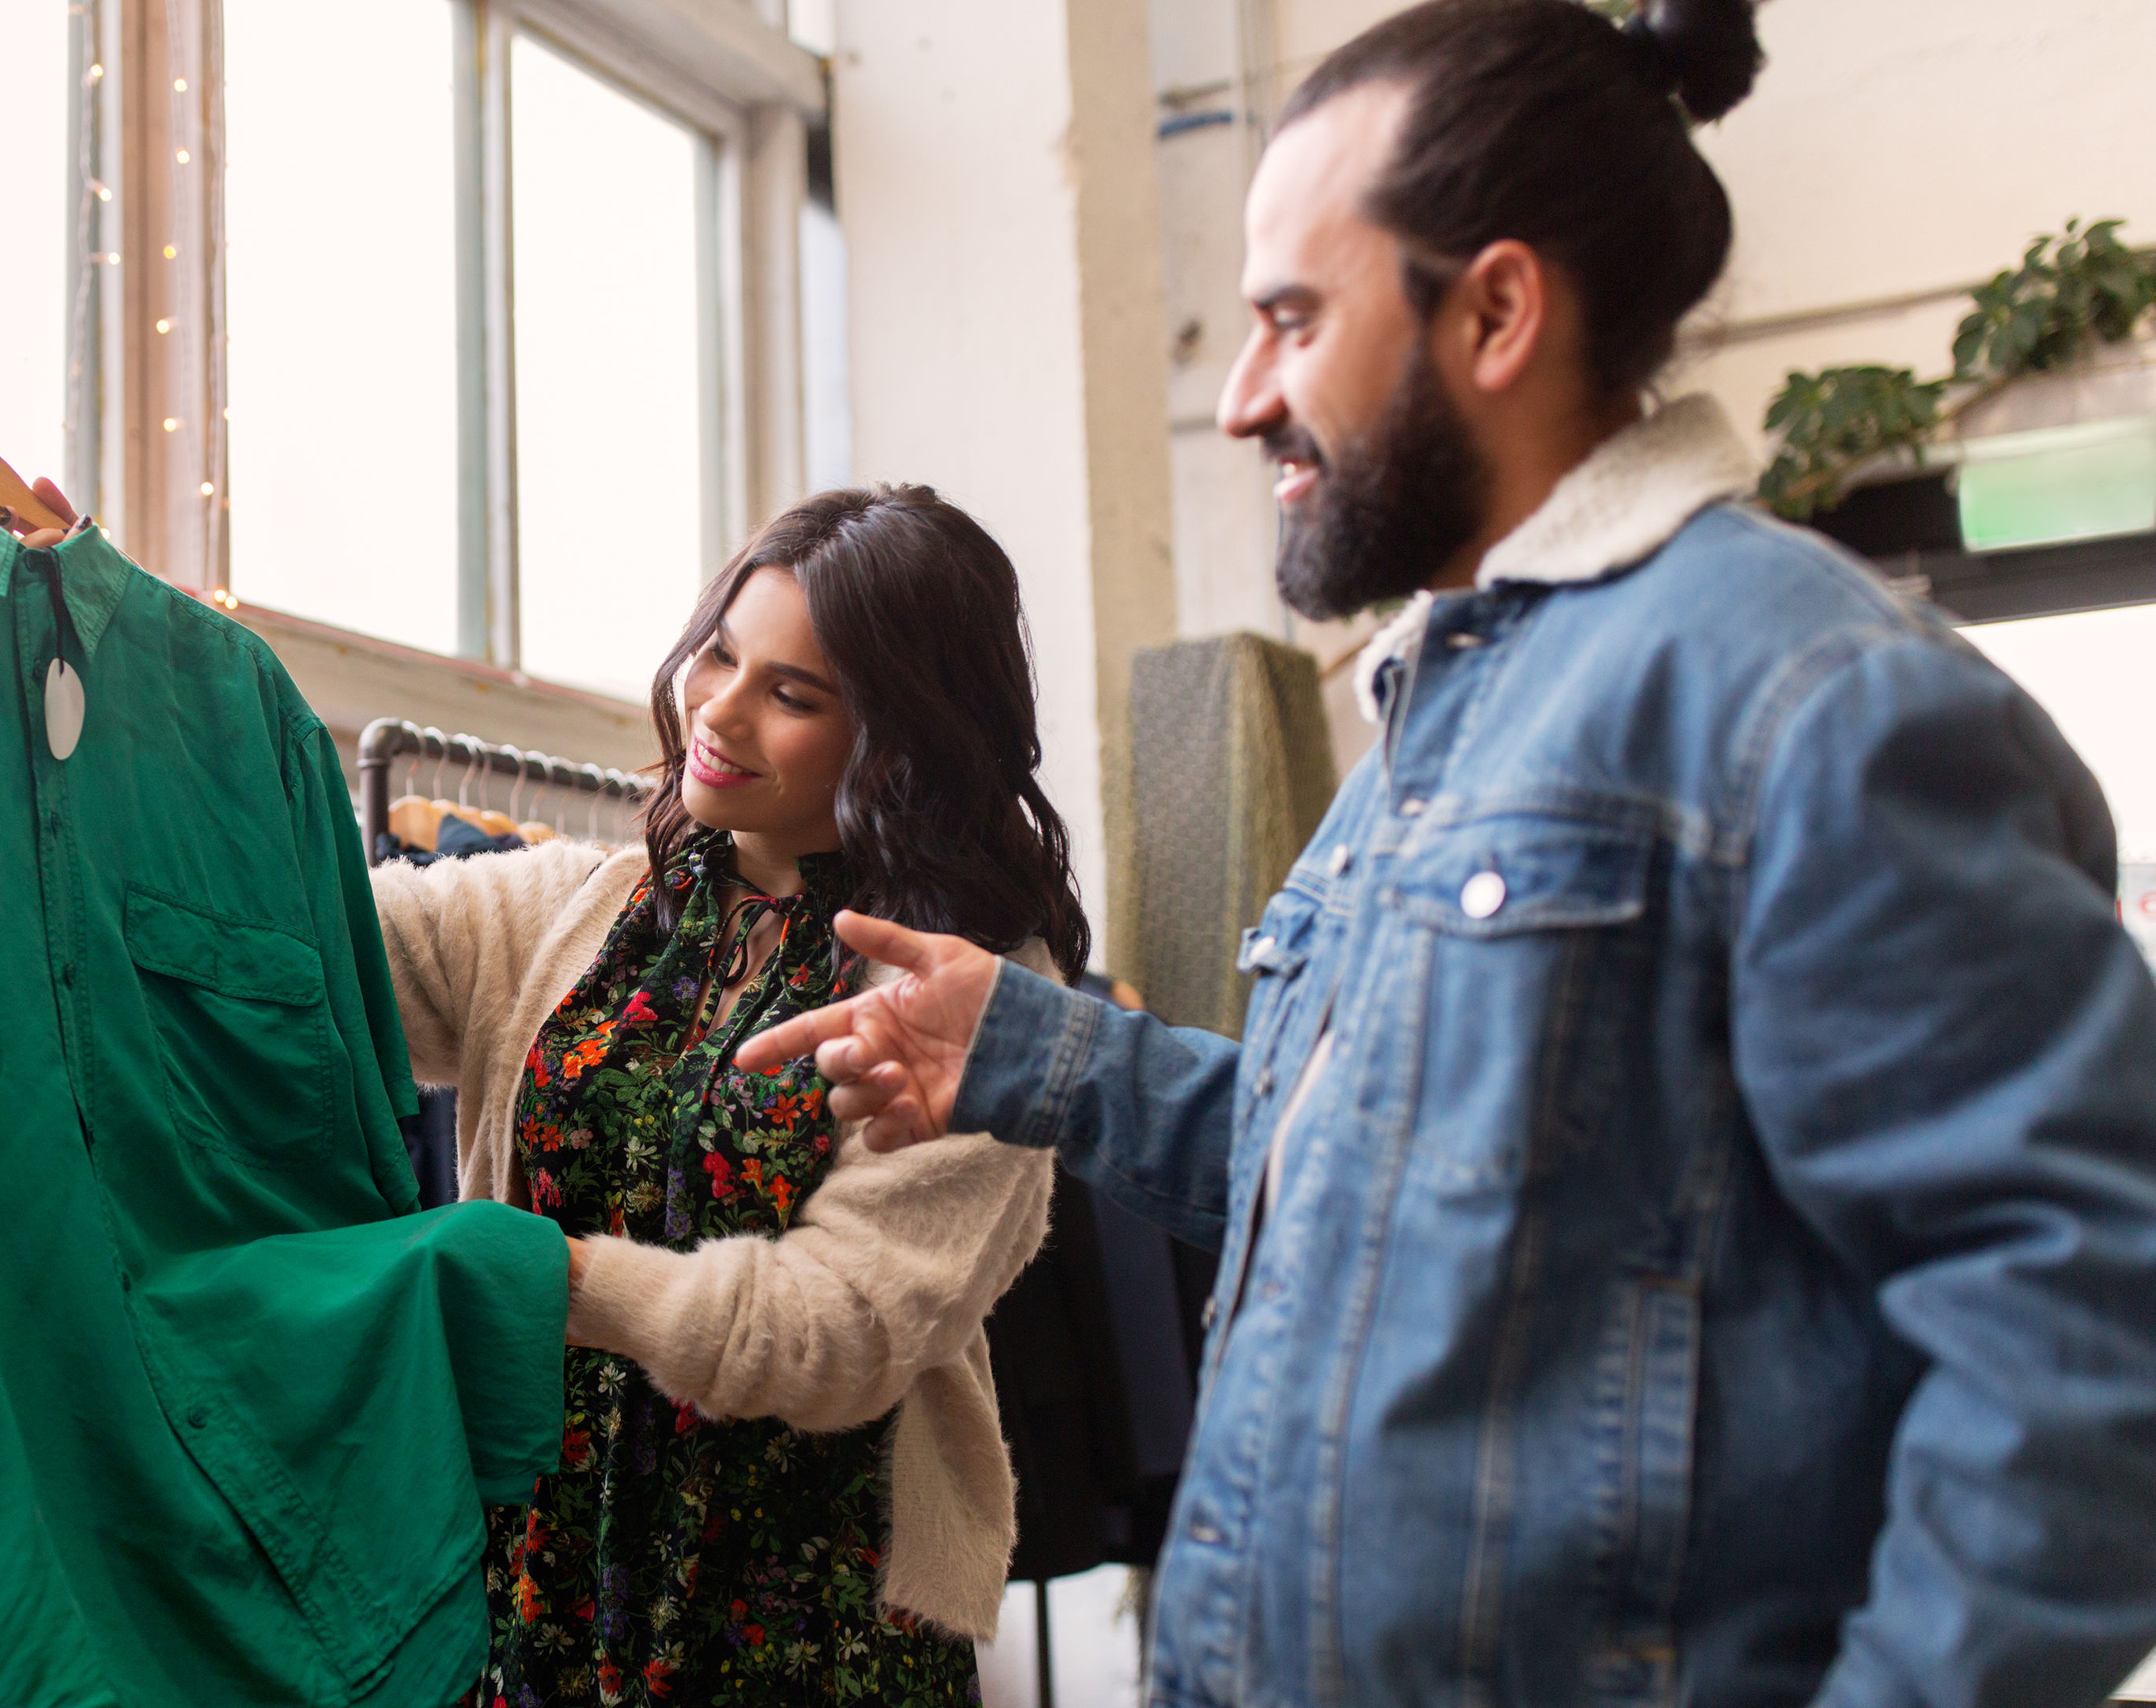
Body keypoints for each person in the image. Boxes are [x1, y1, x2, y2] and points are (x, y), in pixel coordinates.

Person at [737, 2, 2156, 1704]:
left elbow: (2087, 1341)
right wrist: (1041, 1057)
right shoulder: (1447, 699)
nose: (1245, 397)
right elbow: (1388, 1181)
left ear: (1494, 309)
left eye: (1289, 320)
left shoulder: (1820, 707)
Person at [373, 484, 1084, 1705]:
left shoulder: (975, 994)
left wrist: (550, 1283)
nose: (718, 709)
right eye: (720, 654)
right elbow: (306, 947)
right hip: (539, 1596)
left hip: (804, 1630)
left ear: (901, 738)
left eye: (791, 695)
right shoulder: (575, 910)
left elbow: (840, 1328)